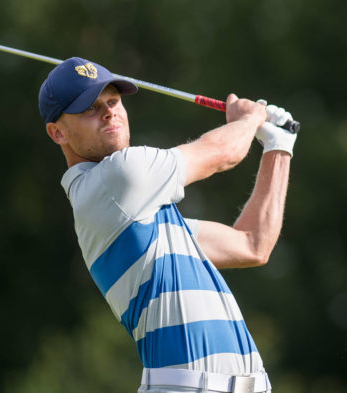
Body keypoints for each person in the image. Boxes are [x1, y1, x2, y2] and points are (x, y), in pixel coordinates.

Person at [38, 57, 297, 393]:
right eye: (89, 108)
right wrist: (250, 118)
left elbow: (252, 243)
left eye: (113, 101)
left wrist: (278, 147)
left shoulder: (142, 215)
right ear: (57, 132)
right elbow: (224, 153)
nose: (109, 112)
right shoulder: (116, 180)